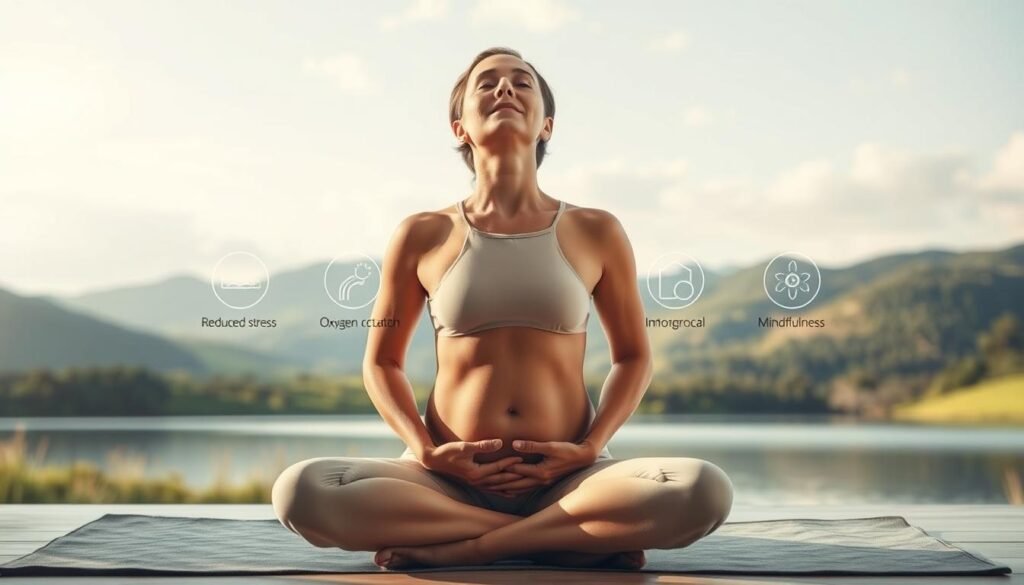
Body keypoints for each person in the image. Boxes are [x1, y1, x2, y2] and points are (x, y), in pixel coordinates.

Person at [272, 46, 734, 571]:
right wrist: (424, 451)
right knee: (302, 491)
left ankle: (477, 546)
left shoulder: (596, 229)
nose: (505, 89)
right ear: (459, 127)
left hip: (568, 478)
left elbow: (633, 357)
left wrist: (590, 448)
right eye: (486, 83)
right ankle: (570, 536)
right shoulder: (422, 233)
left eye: (522, 82)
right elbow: (381, 362)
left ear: (548, 126)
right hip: (443, 482)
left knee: (702, 489)